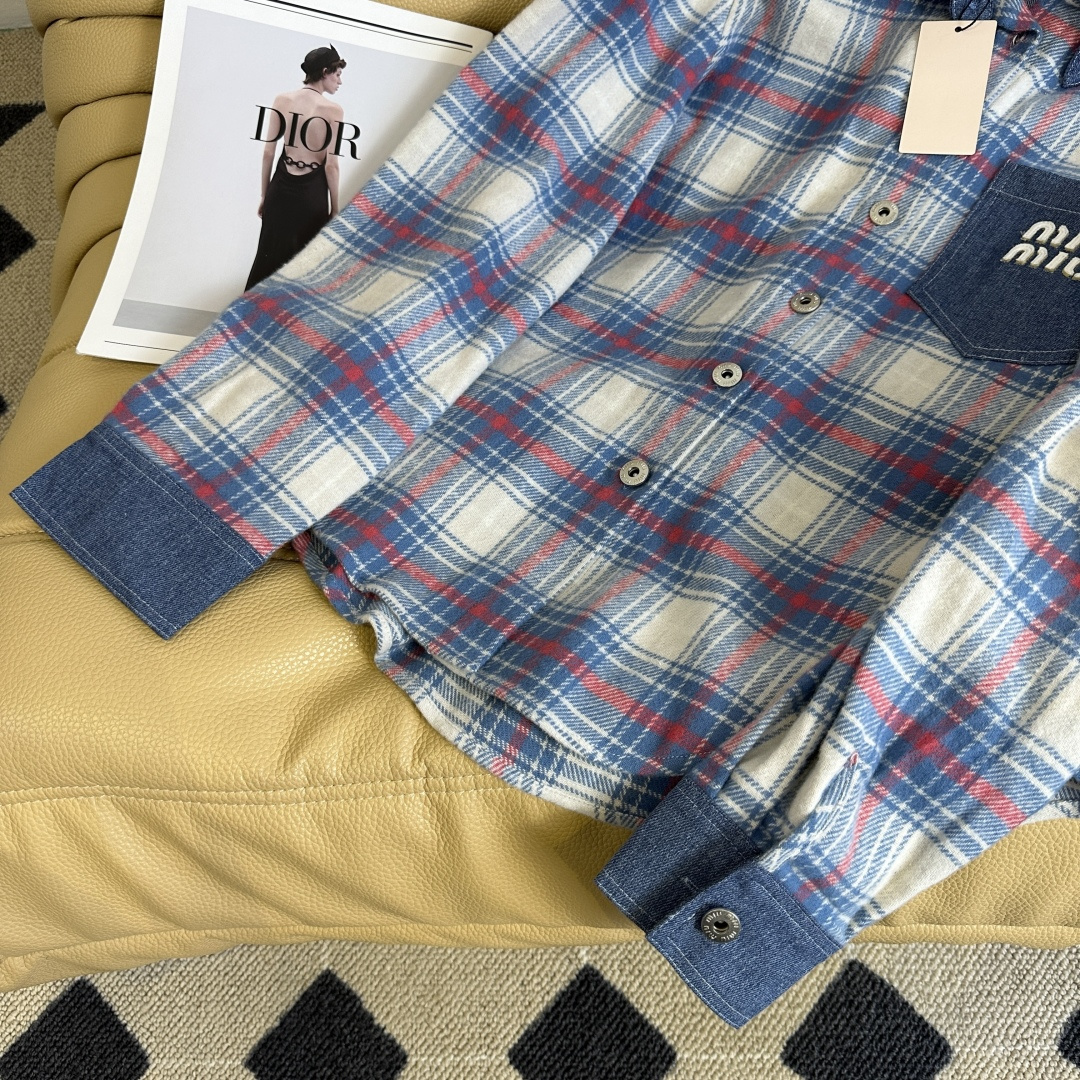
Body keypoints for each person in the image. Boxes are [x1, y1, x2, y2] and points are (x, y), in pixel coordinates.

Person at [244, 44, 345, 291]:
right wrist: (335, 208)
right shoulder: (333, 111)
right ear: (324, 72)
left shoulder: (282, 100)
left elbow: (268, 152)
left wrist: (265, 196)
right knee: (303, 269)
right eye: (337, 74)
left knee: (266, 262)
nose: (340, 81)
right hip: (312, 197)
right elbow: (331, 166)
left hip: (280, 190)